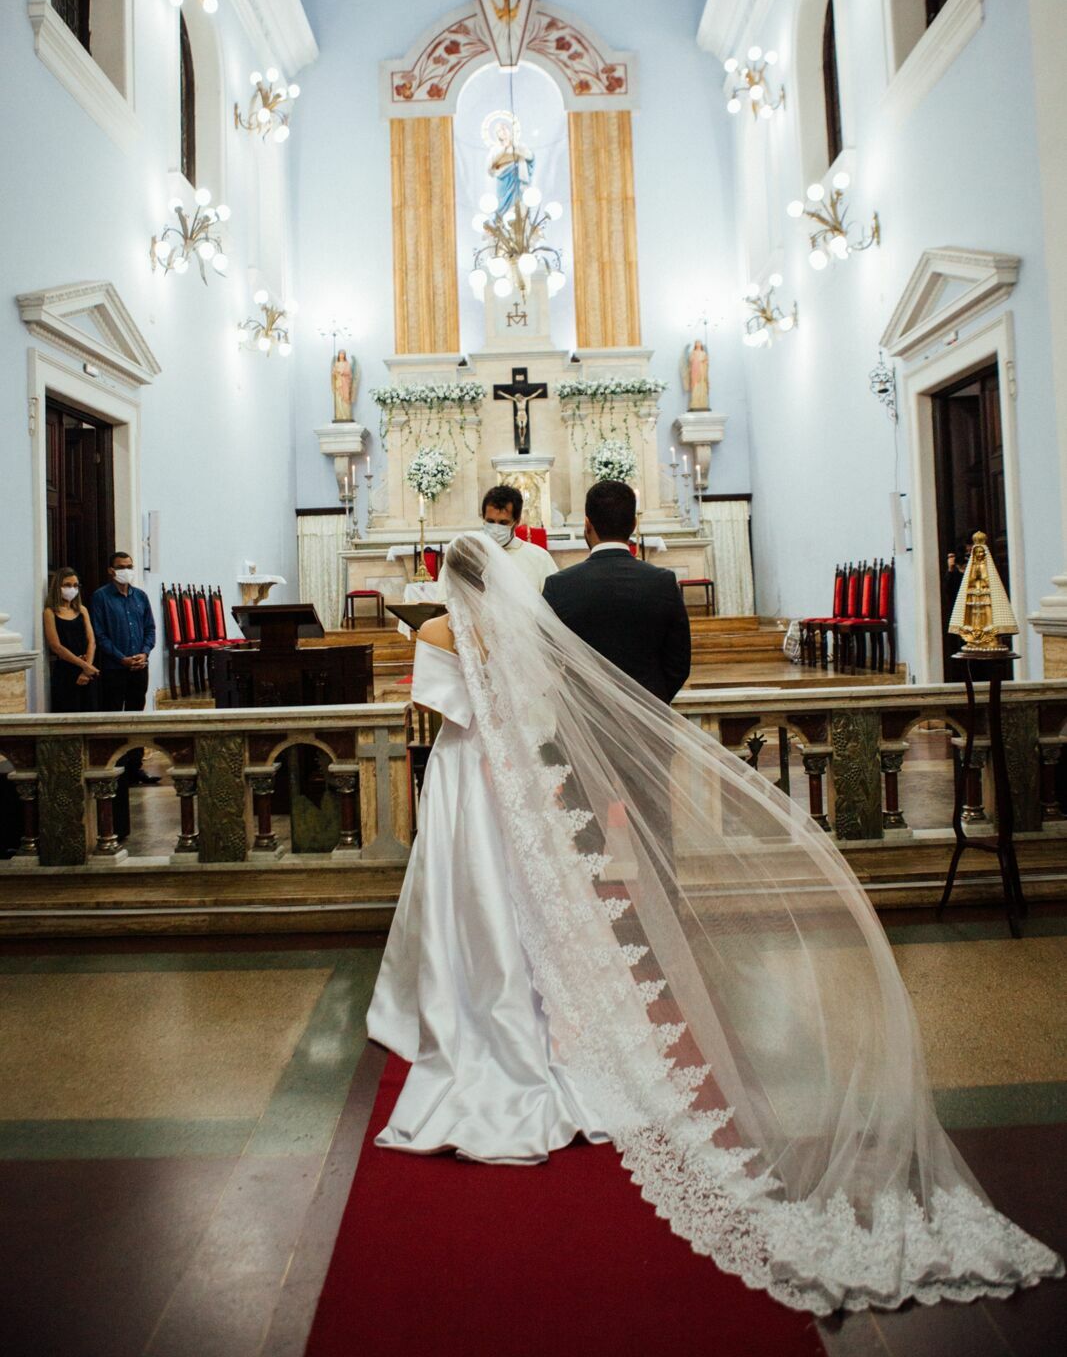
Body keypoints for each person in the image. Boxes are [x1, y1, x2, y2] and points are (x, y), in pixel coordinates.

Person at [368, 531, 1061, 1314]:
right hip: (509, 777)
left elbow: (430, 706)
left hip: (465, 772)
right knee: (519, 895)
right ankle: (523, 1001)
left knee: (474, 892)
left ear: (441, 576)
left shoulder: (432, 632)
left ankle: (467, 999)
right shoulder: (522, 618)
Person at [543, 479, 691, 702]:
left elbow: (545, 657)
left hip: (586, 719)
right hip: (649, 718)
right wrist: (652, 703)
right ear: (633, 524)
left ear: (587, 525)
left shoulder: (559, 585)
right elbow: (678, 663)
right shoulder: (662, 582)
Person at [90, 552, 158, 789]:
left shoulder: (140, 596)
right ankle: (115, 767)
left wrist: (144, 653)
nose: (126, 570)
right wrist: (122, 659)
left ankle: (134, 767)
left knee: (136, 716)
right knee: (114, 716)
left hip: (139, 666)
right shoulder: (101, 598)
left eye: (130, 566)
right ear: (111, 570)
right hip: (114, 668)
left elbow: (150, 629)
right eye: (121, 567)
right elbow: (99, 634)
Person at [481, 484, 556, 593]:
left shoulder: (539, 558)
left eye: (503, 523)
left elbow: (555, 600)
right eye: (490, 522)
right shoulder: (470, 555)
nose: (496, 528)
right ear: (483, 518)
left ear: (517, 521)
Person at [43, 568, 98, 712]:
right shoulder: (50, 612)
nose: (72, 589)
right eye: (67, 585)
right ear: (58, 587)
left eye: (75, 585)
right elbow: (56, 646)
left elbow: (91, 641)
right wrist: (83, 665)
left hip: (87, 670)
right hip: (66, 670)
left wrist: (87, 669)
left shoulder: (82, 610)